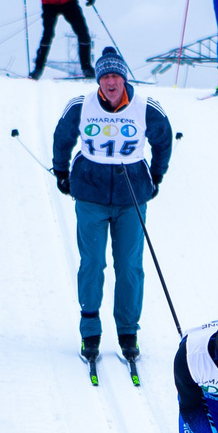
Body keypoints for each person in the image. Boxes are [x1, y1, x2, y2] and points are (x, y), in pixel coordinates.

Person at [51, 46, 173, 366]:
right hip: (90, 195)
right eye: (105, 76)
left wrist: (157, 174)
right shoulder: (82, 105)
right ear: (98, 81)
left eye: (116, 75)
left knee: (129, 267)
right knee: (92, 264)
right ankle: (90, 332)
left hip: (131, 196)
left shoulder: (147, 106)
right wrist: (61, 171)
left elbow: (163, 138)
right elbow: (62, 136)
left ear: (124, 78)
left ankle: (128, 333)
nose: (110, 82)